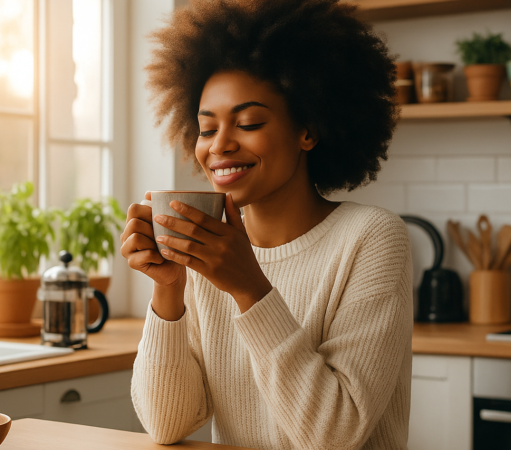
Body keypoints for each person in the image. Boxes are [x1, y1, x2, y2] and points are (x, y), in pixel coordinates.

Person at [120, 0, 412, 448]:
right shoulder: (208, 253)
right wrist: (168, 288)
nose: (220, 145)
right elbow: (167, 423)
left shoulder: (371, 238)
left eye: (249, 122)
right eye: (206, 129)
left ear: (307, 130)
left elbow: (334, 435)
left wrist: (250, 288)